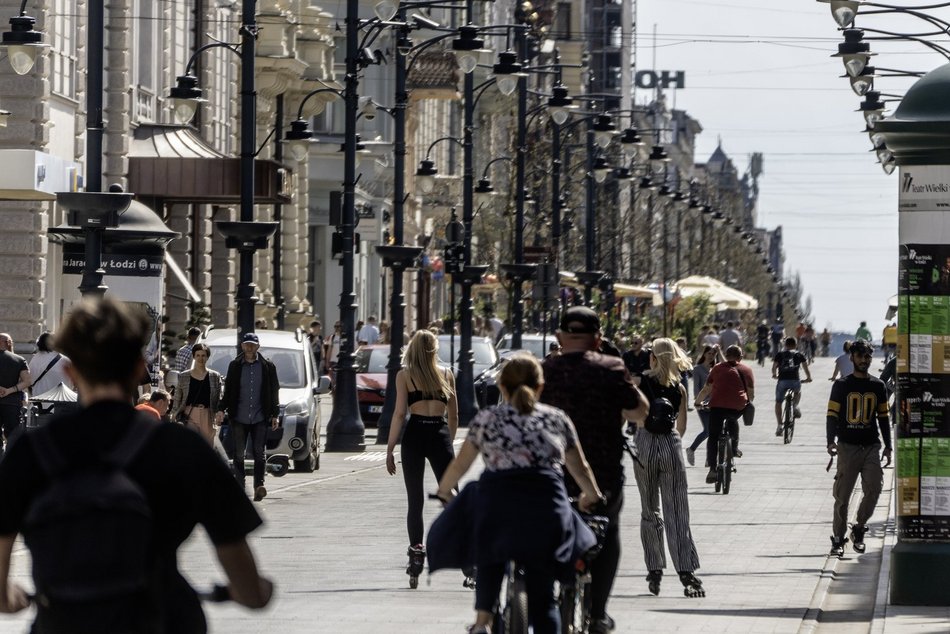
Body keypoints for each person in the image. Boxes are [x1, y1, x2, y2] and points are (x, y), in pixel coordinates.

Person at [0, 297, 272, 632]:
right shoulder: (181, 447)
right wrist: (253, 592)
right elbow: (247, 583)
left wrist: (16, 598)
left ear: (71, 373)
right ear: (136, 369)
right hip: (162, 619)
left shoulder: (31, 450)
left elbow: (0, 588)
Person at [432, 354, 603, 634]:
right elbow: (580, 467)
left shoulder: (487, 418)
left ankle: (482, 621)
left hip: (497, 505)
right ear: (540, 387)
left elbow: (460, 464)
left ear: (502, 387)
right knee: (544, 597)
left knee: (489, 551)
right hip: (545, 508)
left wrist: (443, 491)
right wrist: (591, 495)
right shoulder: (556, 419)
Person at [539, 306, 649, 633]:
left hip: (555, 475)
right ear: (598, 339)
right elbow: (638, 412)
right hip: (603, 475)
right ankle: (598, 612)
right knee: (609, 531)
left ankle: (549, 593)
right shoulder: (612, 368)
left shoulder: (546, 370)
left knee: (546, 530)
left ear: (560, 337)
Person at [631, 338, 704, 598]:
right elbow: (681, 426)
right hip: (670, 446)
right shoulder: (679, 388)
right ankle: (687, 572)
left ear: (653, 357)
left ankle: (654, 569)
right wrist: (671, 442)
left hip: (644, 446)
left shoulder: (639, 383)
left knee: (649, 509)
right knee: (677, 510)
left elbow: (632, 415)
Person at [386, 330, 459, 581]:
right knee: (451, 495)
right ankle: (464, 551)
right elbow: (454, 416)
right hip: (438, 432)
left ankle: (417, 551)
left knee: (415, 499)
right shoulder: (447, 374)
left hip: (415, 434)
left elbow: (398, 414)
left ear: (413, 348)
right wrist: (446, 441)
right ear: (435, 348)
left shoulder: (405, 375)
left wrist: (390, 449)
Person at [826, 340, 891, 556]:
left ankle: (860, 527)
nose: (864, 360)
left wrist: (888, 447)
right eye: (860, 356)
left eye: (868, 357)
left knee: (874, 487)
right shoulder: (842, 385)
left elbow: (883, 419)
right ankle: (838, 538)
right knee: (842, 496)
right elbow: (831, 416)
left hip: (871, 446)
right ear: (852, 357)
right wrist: (830, 441)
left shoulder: (878, 386)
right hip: (847, 447)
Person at [221, 333, 280, 502]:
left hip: (260, 416)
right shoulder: (235, 366)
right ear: (242, 346)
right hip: (239, 416)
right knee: (239, 454)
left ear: (258, 347)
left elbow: (274, 390)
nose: (249, 348)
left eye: (252, 345)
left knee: (259, 453)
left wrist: (275, 414)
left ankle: (258, 487)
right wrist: (221, 409)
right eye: (247, 345)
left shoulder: (268, 366)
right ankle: (240, 487)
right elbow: (229, 389)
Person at [694, 345, 754, 484]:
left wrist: (697, 402)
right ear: (741, 357)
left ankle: (712, 470)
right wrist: (747, 400)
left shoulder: (717, 368)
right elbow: (750, 393)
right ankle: (734, 448)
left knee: (713, 436)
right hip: (737, 406)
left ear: (726, 356)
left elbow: (706, 389)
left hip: (717, 406)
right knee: (733, 419)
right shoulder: (746, 370)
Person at [172, 343, 224, 445]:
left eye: (203, 355)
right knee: (190, 445)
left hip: (207, 414)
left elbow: (219, 397)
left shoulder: (215, 376)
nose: (201, 358)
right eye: (198, 355)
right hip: (189, 414)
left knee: (207, 446)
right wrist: (174, 414)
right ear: (194, 356)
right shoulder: (184, 376)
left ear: (208, 357)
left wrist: (219, 414)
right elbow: (178, 397)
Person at [685, 345, 723, 467]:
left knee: (715, 432)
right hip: (703, 403)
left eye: (713, 354)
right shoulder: (698, 369)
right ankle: (691, 449)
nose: (711, 356)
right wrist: (697, 401)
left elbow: (727, 365)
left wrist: (720, 351)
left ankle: (709, 459)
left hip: (716, 403)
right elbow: (696, 387)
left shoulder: (717, 368)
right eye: (709, 353)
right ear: (704, 354)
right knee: (707, 431)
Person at [771, 337, 813, 437]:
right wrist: (808, 378)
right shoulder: (799, 354)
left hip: (782, 381)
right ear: (795, 345)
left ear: (785, 345)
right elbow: (805, 367)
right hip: (795, 381)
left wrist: (774, 375)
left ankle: (779, 426)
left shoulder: (780, 354)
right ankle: (795, 406)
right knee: (797, 392)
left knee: (778, 402)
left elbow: (774, 367)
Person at [0, 333, 30, 455]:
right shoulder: (19, 359)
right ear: (9, 343)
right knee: (12, 435)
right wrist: (9, 390)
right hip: (12, 404)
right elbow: (27, 381)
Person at [28, 332, 72, 397]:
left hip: (39, 402)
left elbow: (29, 381)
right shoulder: (65, 361)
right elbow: (71, 384)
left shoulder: (34, 360)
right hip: (60, 402)